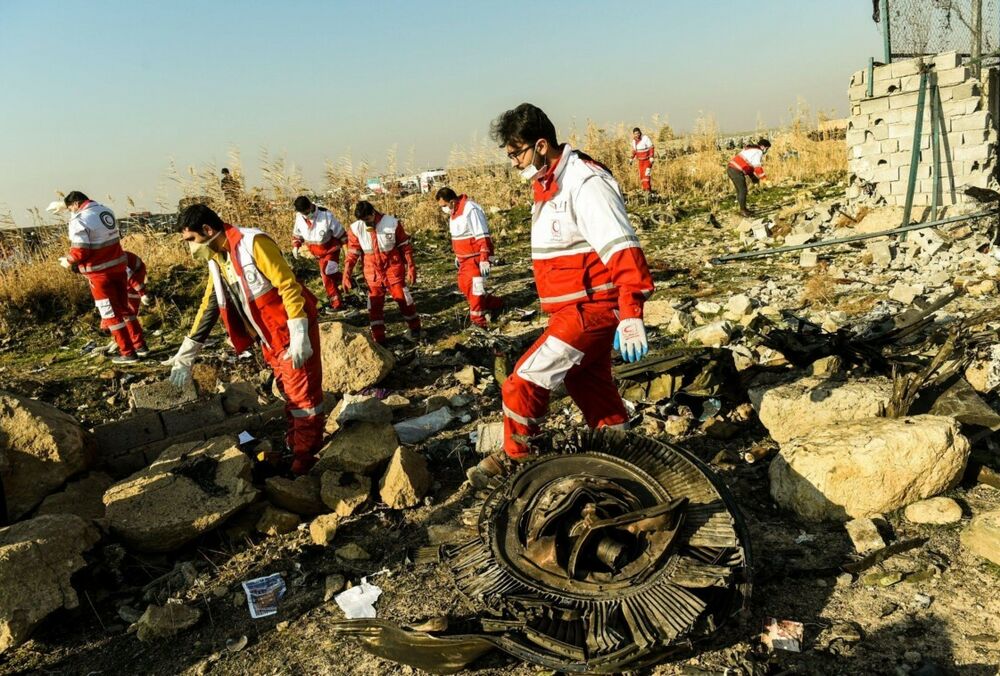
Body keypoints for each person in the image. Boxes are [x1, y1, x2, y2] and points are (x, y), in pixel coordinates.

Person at [467, 103, 655, 486]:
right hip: (573, 310)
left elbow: (622, 248)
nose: (514, 163)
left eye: (517, 154)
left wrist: (631, 312)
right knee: (590, 387)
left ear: (540, 145)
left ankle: (520, 465)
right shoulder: (550, 183)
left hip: (589, 311)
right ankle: (622, 457)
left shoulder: (584, 183)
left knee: (523, 382)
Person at [165, 204, 325, 475]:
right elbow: (210, 304)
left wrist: (300, 332)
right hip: (269, 337)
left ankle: (304, 462)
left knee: (304, 398)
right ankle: (294, 446)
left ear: (208, 230)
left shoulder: (253, 243)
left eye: (191, 239)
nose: (191, 248)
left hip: (289, 331)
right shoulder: (218, 259)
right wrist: (187, 352)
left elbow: (287, 285)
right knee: (289, 394)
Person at [59, 191, 148, 364]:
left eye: (70, 209)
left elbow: (80, 250)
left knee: (111, 315)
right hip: (118, 268)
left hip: (99, 274)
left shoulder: (79, 220)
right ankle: (140, 346)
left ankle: (128, 353)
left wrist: (68, 261)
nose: (71, 212)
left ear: (76, 204)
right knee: (125, 310)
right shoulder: (105, 210)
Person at [343, 201, 421, 345]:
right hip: (372, 271)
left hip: (392, 268)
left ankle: (415, 329)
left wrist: (411, 267)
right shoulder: (356, 228)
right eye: (363, 220)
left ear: (373, 213)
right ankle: (379, 338)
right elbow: (352, 253)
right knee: (374, 306)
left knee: (404, 300)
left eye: (367, 219)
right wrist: (346, 274)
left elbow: (405, 247)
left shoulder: (391, 223)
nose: (366, 223)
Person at [435, 187, 504, 327]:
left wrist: (484, 258)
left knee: (475, 289)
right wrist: (458, 256)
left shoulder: (470, 209)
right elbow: (459, 236)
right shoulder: (454, 213)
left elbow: (482, 235)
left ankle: (478, 321)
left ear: (452, 202)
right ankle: (493, 303)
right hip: (464, 259)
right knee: (464, 285)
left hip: (476, 258)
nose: (443, 209)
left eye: (444, 205)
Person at [291, 196, 347, 312]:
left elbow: (342, 235)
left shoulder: (326, 216)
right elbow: (297, 235)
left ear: (310, 206)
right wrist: (296, 246)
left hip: (331, 250)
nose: (306, 215)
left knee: (326, 273)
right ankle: (348, 282)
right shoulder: (299, 218)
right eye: (303, 213)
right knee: (329, 275)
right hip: (317, 254)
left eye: (307, 212)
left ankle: (336, 304)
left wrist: (348, 253)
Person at [727, 139, 770, 216]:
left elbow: (748, 165)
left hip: (731, 169)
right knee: (743, 191)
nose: (766, 151)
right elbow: (757, 166)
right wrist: (764, 179)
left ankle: (742, 209)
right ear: (763, 147)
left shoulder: (750, 149)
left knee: (740, 191)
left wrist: (752, 177)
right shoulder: (758, 152)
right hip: (736, 170)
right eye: (767, 148)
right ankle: (743, 211)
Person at [629, 127, 655, 193]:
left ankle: (648, 190)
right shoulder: (634, 141)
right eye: (635, 134)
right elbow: (634, 151)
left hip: (647, 160)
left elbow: (651, 147)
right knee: (642, 175)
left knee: (646, 175)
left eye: (638, 133)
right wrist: (631, 158)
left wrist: (651, 157)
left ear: (640, 133)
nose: (637, 135)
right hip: (640, 161)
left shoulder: (645, 138)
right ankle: (645, 189)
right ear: (633, 134)